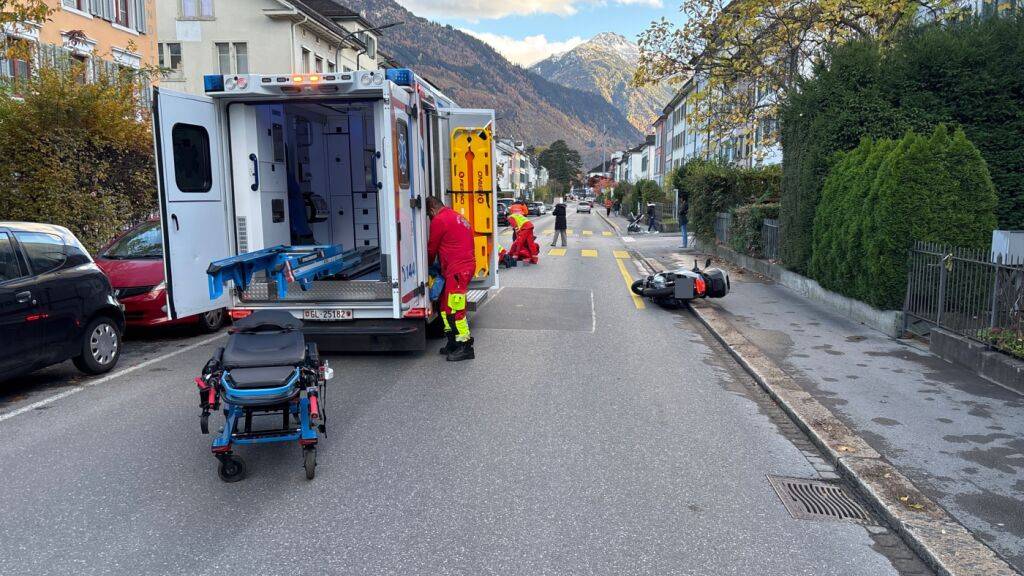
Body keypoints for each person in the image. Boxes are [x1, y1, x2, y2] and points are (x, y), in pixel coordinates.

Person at [426, 197, 476, 361]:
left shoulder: (439, 220)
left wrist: (425, 267)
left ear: (432, 210)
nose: (429, 218)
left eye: (429, 215)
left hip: (458, 270)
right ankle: (453, 342)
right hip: (460, 268)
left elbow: (431, 249)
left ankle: (465, 346)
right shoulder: (455, 216)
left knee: (455, 309)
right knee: (444, 306)